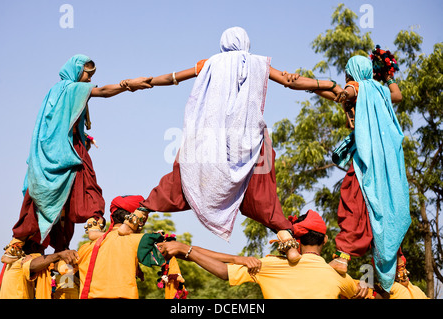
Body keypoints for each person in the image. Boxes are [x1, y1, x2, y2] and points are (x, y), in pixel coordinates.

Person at [127, 26, 344, 264]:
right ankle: (289, 245)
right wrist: (329, 85)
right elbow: (289, 81)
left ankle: (138, 215)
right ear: (246, 43)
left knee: (184, 178)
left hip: (210, 135)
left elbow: (173, 78)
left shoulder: (208, 64)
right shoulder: (258, 64)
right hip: (249, 139)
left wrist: (143, 82)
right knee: (263, 193)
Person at [2, 55, 153, 264]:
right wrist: (128, 85)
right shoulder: (72, 88)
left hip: (46, 155)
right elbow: (103, 92)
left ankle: (17, 242)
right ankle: (93, 223)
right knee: (87, 182)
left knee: (37, 197)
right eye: (88, 74)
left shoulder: (53, 92)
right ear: (76, 71)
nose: (90, 79)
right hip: (69, 149)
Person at [315, 55, 410, 294]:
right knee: (386, 209)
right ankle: (399, 267)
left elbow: (346, 91)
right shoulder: (379, 90)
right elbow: (397, 95)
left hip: (366, 157)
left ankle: (343, 256)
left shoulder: (358, 87)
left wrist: (344, 92)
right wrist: (388, 75)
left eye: (348, 73)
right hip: (387, 161)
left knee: (353, 198)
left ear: (353, 73)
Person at [158, 209, 369, 299]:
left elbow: (223, 272)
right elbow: (365, 291)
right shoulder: (338, 276)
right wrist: (366, 281)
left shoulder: (271, 265)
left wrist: (186, 249)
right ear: (324, 240)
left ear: (295, 240)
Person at [0, 239, 78, 299]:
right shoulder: (21, 262)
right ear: (34, 246)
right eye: (43, 250)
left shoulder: (13, 263)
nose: (43, 254)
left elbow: (51, 266)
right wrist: (59, 255)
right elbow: (33, 265)